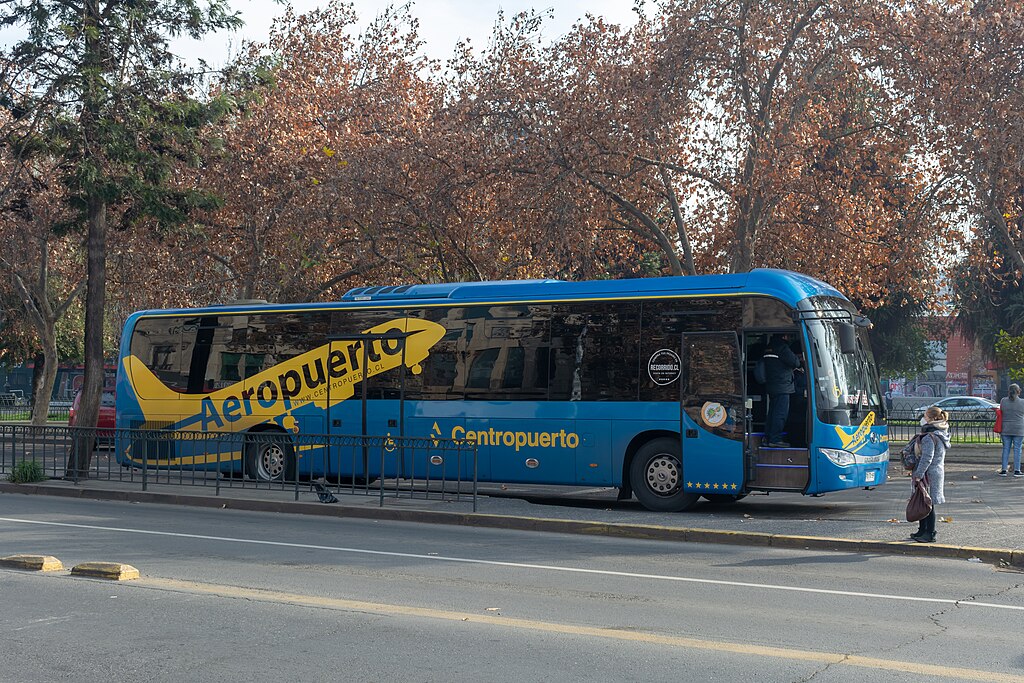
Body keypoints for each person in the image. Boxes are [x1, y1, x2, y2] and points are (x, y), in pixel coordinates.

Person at [910, 406, 950, 543]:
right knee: (924, 500)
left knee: (928, 503)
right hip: (936, 472)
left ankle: (930, 533)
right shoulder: (940, 433)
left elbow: (927, 457)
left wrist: (918, 474)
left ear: (931, 419)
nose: (923, 419)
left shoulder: (929, 436)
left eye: (925, 416)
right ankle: (922, 530)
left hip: (928, 474)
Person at [762, 333, 800, 448]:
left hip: (772, 385)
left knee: (772, 413)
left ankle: (767, 438)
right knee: (780, 414)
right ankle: (775, 439)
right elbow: (795, 362)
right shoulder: (782, 347)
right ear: (784, 336)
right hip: (782, 386)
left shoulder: (769, 347)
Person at [998, 383, 1024, 477]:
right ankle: (1017, 470)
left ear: (1008, 391)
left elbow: (1001, 412)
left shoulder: (1003, 401)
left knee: (1005, 449)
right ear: (1018, 391)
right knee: (1017, 449)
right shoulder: (1022, 402)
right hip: (1019, 429)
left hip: (1006, 429)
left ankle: (1004, 470)